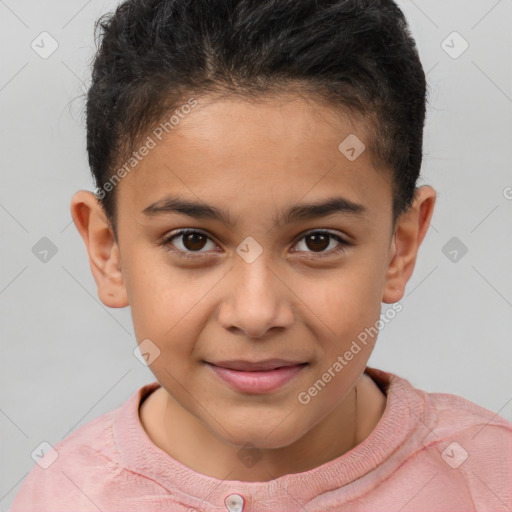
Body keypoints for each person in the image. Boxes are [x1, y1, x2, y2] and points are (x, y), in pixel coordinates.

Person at [10, 0, 511, 510]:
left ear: (398, 249)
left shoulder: (491, 481)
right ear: (107, 251)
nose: (255, 314)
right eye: (193, 240)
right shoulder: (61, 498)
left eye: (318, 241)